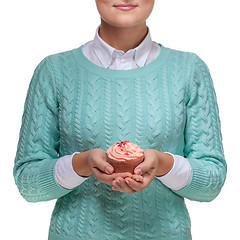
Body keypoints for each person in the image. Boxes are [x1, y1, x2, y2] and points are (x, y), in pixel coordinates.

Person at [13, 1, 227, 239]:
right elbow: (28, 183)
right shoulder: (53, 71)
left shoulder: (189, 70)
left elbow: (211, 182)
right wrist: (82, 165)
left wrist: (163, 164)